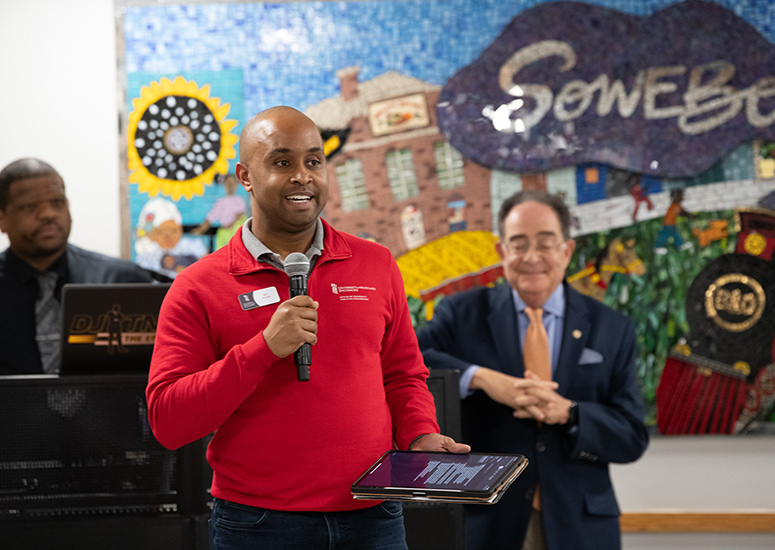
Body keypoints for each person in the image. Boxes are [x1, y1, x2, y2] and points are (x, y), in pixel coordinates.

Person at [145, 106, 469, 550]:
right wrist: (261, 350)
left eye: (314, 161)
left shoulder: (375, 264)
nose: (303, 176)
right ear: (245, 176)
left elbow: (403, 375)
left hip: (374, 516)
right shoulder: (197, 287)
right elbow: (168, 421)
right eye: (282, 162)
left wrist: (420, 434)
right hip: (258, 526)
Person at [416, 190, 649, 550]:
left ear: (566, 251)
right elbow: (409, 357)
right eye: (519, 244)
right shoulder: (461, 313)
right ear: (501, 251)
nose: (531, 257)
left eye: (545, 243)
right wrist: (481, 378)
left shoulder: (612, 328)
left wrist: (570, 413)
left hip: (581, 525)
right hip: (488, 523)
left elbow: (631, 436)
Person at [0, 158, 155, 375]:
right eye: (29, 206)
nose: (48, 214)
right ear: (2, 219)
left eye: (57, 202)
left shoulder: (123, 280)